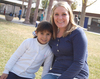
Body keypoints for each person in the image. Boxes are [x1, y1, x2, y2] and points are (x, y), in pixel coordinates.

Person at [42, 1, 89, 79]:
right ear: (53, 16)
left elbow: (79, 63)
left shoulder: (77, 33)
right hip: (56, 71)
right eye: (56, 14)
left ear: (69, 16)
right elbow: (45, 54)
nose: (60, 18)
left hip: (76, 74)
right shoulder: (52, 34)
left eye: (64, 14)